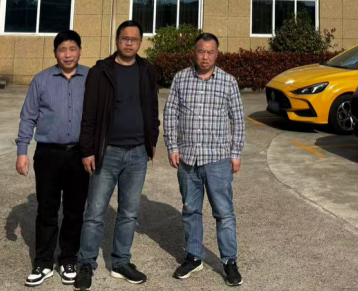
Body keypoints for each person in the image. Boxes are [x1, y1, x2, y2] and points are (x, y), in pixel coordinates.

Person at [74, 21, 159, 290]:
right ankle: (86, 263)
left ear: (140, 42)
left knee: (129, 213)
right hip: (106, 153)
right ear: (117, 40)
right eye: (124, 38)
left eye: (134, 39)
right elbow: (89, 113)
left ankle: (121, 261)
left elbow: (152, 107)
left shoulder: (146, 70)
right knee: (95, 212)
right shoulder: (101, 71)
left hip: (137, 154)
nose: (129, 43)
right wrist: (88, 150)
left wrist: (152, 139)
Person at [164, 33, 245, 287]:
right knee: (191, 210)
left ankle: (229, 261)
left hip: (218, 160)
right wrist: (172, 146)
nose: (205, 57)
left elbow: (238, 119)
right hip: (188, 159)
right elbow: (170, 113)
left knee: (224, 212)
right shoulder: (181, 79)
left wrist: (235, 153)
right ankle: (193, 256)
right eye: (201, 51)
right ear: (194, 52)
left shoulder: (228, 82)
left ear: (217, 54)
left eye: (210, 52)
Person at [15, 30, 89, 287]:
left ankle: (68, 259)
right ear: (55, 53)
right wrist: (22, 151)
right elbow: (28, 117)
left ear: (80, 51)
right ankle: (44, 262)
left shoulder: (91, 78)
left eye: (72, 49)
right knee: (47, 209)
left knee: (74, 210)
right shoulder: (41, 80)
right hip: (48, 155)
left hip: (80, 155)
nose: (68, 54)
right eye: (62, 49)